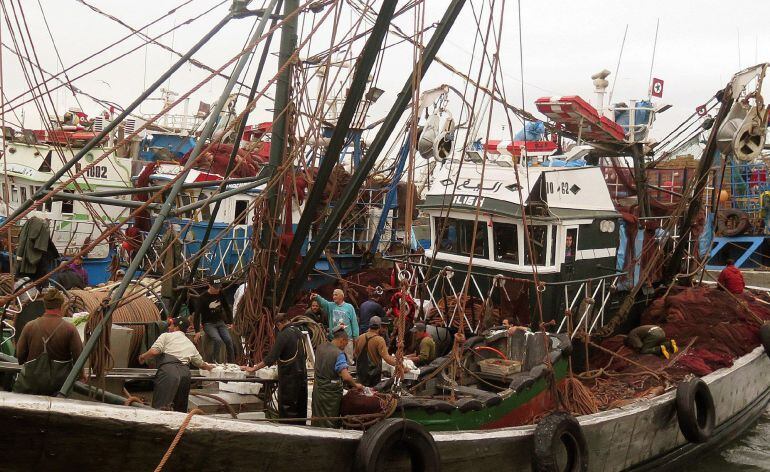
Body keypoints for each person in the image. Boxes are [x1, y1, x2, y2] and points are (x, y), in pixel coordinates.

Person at [14, 288, 84, 395]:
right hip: (60, 387)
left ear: (45, 305)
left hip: (32, 385)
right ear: (61, 306)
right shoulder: (70, 328)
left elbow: (20, 354)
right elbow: (78, 357)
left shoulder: (30, 326)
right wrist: (81, 375)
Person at [241, 314, 307, 423]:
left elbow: (271, 358)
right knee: (300, 410)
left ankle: (287, 435)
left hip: (289, 381)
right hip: (302, 378)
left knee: (288, 412)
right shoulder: (299, 332)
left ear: (279, 324)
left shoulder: (284, 335)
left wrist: (253, 368)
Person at [138, 316, 213, 412]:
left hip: (169, 372)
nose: (169, 327)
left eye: (171, 325)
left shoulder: (166, 336)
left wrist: (142, 357)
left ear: (177, 327)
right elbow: (201, 364)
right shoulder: (189, 343)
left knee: (161, 408)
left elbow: (154, 352)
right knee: (180, 410)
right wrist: (210, 367)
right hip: (185, 375)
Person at [312, 326, 363, 428]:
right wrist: (356, 385)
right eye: (346, 343)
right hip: (330, 395)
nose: (345, 346)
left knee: (317, 419)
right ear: (341, 340)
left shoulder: (320, 347)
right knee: (330, 422)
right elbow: (346, 377)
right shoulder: (338, 354)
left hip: (318, 391)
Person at [192, 280, 235, 363]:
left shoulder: (221, 293)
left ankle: (232, 362)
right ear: (209, 286)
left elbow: (227, 308)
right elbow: (197, 315)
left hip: (220, 322)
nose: (217, 289)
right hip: (208, 324)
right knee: (218, 340)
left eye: (219, 287)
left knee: (228, 340)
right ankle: (215, 361)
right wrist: (197, 331)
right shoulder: (202, 297)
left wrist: (231, 322)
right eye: (215, 288)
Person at [311, 289, 359, 362]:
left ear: (342, 296)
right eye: (333, 295)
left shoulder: (349, 307)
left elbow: (354, 324)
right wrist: (317, 297)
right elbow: (323, 302)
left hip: (347, 340)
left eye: (336, 295)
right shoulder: (331, 306)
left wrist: (356, 338)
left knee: (348, 360)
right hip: (334, 339)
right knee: (334, 360)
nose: (334, 296)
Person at [353, 316, 398, 387]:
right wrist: (399, 365)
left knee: (361, 394)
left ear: (369, 325)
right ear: (379, 327)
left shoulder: (360, 338)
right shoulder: (379, 340)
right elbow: (386, 358)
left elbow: (355, 354)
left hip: (361, 374)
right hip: (373, 377)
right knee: (372, 394)